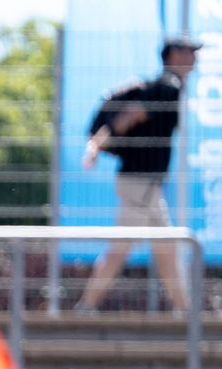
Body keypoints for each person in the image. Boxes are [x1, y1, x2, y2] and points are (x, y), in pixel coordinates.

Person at [78, 35, 202, 314]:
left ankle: (185, 313)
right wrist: (98, 145)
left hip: (147, 185)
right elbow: (132, 114)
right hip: (139, 183)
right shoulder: (167, 87)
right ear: (174, 55)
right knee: (120, 249)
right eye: (189, 52)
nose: (195, 59)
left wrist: (97, 146)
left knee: (168, 250)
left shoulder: (169, 87)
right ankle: (85, 306)